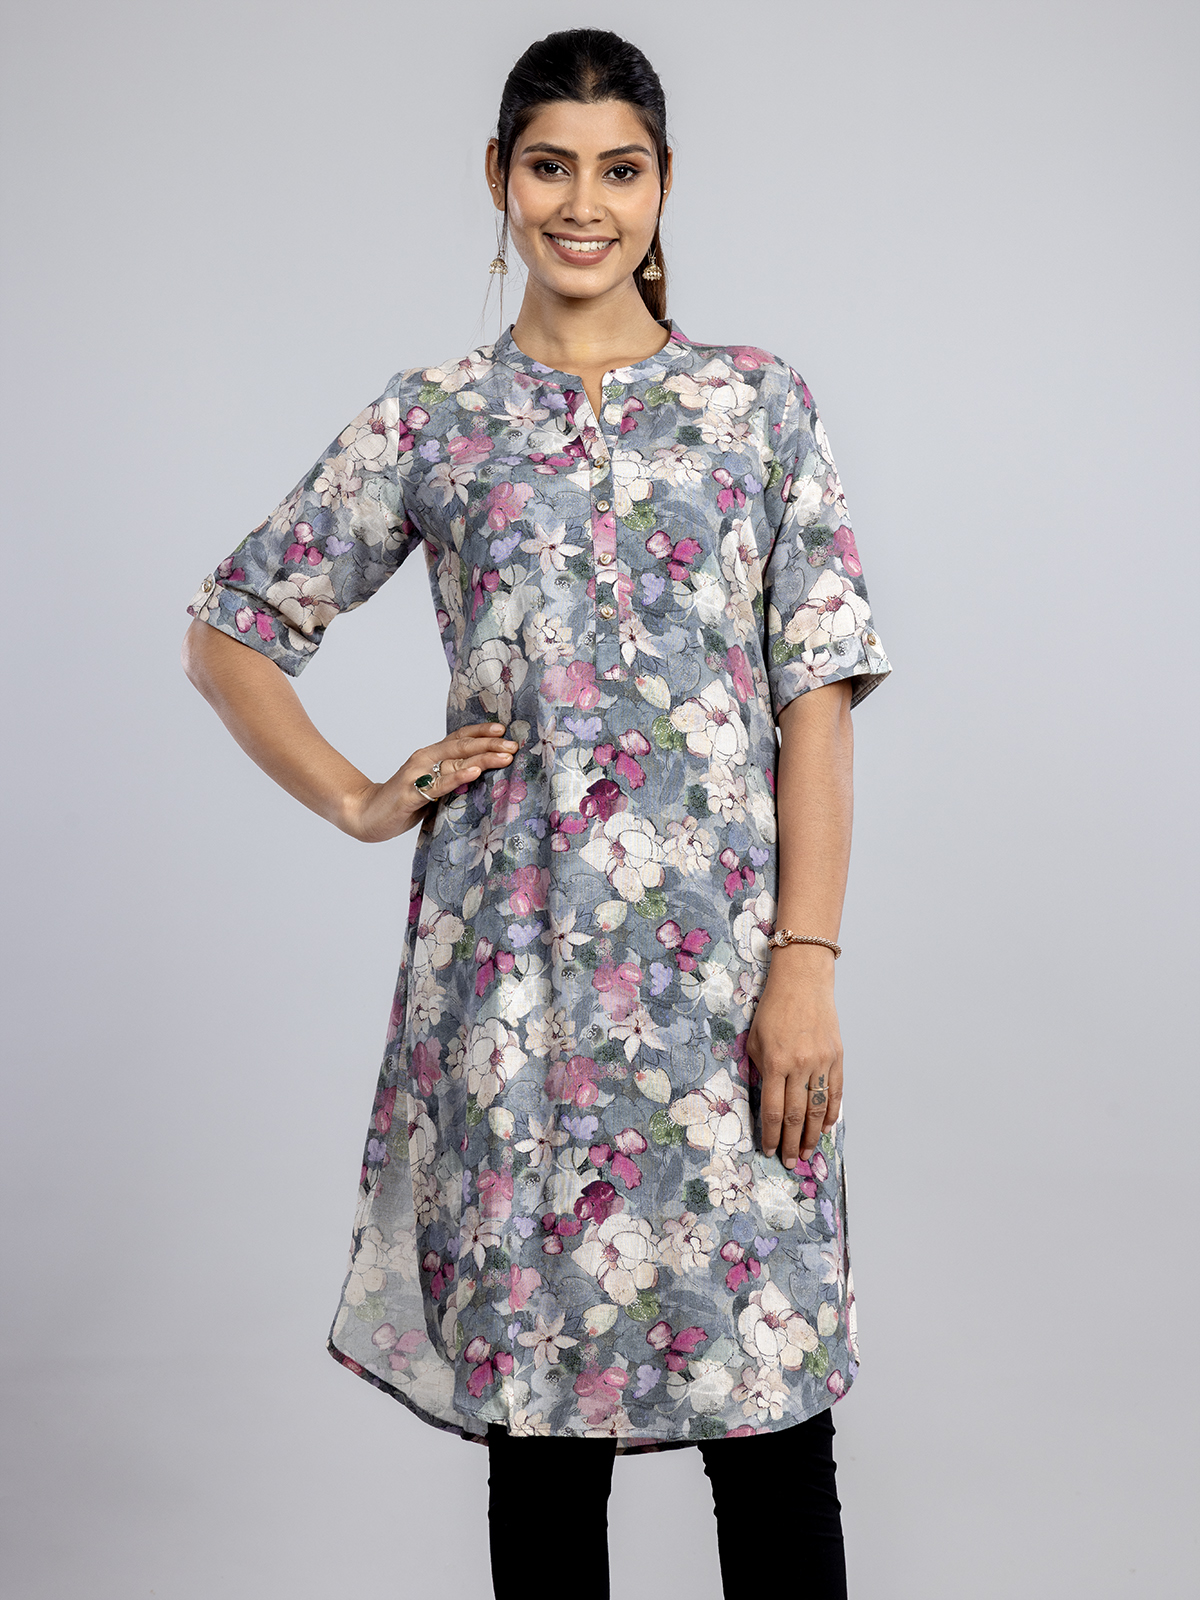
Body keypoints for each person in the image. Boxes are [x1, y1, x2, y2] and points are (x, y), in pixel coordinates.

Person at [182, 27, 890, 1600]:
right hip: (515, 994)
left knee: (775, 1431)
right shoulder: (435, 416)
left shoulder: (757, 406)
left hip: (728, 994)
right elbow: (233, 629)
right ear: (498, 178)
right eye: (551, 168)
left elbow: (817, 701)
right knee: (544, 1441)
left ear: (663, 184)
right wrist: (362, 800)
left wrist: (806, 966)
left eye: (618, 170)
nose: (584, 205)